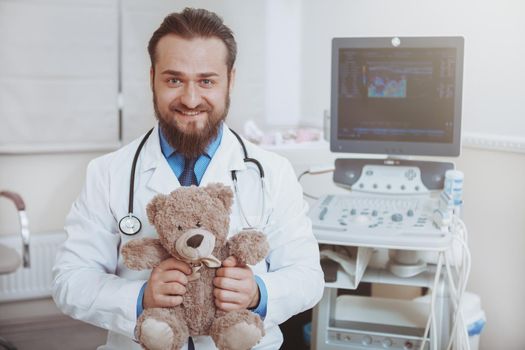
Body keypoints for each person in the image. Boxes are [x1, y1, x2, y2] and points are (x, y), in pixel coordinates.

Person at [52, 7, 324, 350]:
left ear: (231, 80)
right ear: (152, 77)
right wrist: (140, 297)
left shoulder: (273, 171)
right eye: (174, 80)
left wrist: (258, 292)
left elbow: (309, 278)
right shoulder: (107, 172)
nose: (191, 99)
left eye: (206, 81)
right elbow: (69, 281)